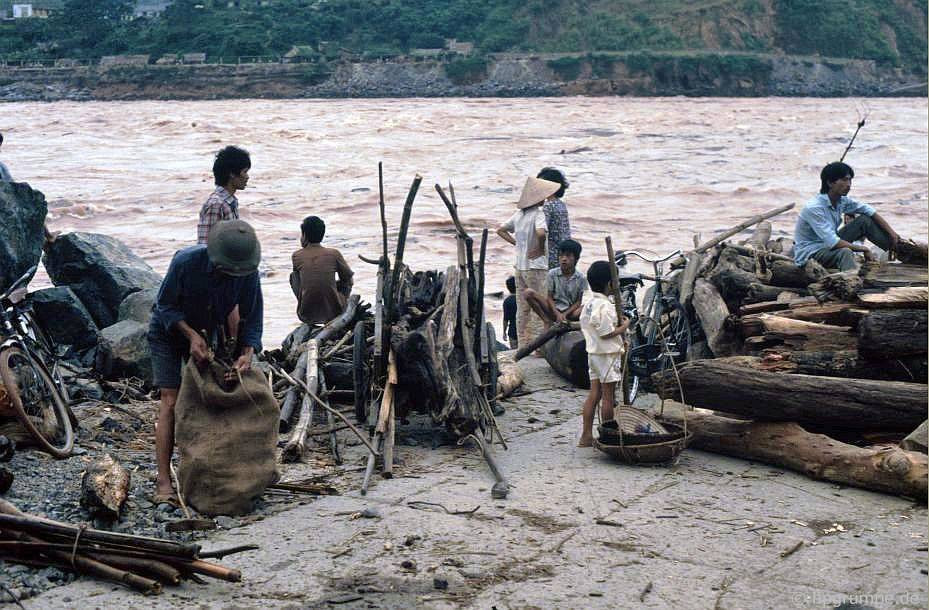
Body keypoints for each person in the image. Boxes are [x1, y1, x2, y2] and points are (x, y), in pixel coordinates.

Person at [148, 219, 264, 505]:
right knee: (171, 401)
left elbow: (252, 318)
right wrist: (189, 335)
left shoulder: (248, 273)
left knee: (209, 399)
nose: (232, 276)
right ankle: (163, 480)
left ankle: (209, 473)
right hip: (168, 331)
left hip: (206, 331)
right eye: (226, 271)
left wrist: (246, 353)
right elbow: (164, 306)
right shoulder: (186, 262)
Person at [793, 161, 900, 271]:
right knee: (845, 252)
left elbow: (869, 211)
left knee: (864, 221)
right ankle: (850, 281)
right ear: (830, 183)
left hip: (827, 245)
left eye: (850, 180)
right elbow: (833, 242)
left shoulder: (841, 201)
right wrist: (863, 249)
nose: (848, 184)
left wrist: (892, 234)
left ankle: (901, 252)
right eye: (844, 180)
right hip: (811, 254)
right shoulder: (814, 208)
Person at [496, 176, 560, 350]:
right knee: (539, 306)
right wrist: (539, 248)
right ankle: (540, 347)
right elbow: (541, 233)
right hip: (536, 266)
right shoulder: (538, 215)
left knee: (522, 307)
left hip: (520, 265)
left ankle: (524, 345)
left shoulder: (519, 215)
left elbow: (500, 230)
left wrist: (516, 244)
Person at [578, 260, 629, 447]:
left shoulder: (589, 303)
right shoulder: (605, 306)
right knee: (608, 396)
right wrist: (624, 327)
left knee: (594, 394)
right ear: (610, 284)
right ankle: (608, 435)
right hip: (607, 355)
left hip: (593, 353)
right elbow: (606, 332)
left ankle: (586, 435)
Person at [290, 216, 354, 324]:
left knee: (293, 276)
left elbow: (305, 282)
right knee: (346, 280)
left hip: (306, 314)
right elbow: (348, 279)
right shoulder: (334, 253)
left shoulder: (297, 255)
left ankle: (309, 307)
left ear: (304, 236)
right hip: (335, 312)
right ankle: (338, 304)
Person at [523, 239, 588, 326]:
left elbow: (578, 302)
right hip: (553, 310)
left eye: (568, 256)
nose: (564, 259)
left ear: (576, 259)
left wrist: (564, 314)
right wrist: (557, 313)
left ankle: (569, 321)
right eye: (561, 256)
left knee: (589, 306)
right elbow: (549, 297)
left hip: (571, 313)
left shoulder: (581, 278)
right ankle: (546, 321)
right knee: (528, 292)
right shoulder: (552, 274)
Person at [197, 145, 251, 245]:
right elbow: (206, 246)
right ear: (232, 174)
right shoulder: (217, 204)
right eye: (245, 172)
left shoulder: (230, 202)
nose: (247, 177)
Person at [537, 167, 571, 270]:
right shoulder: (561, 204)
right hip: (565, 254)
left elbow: (540, 231)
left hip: (552, 256)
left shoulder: (548, 206)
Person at [502, 276, 517, 349]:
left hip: (512, 331)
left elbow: (505, 319)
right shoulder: (523, 299)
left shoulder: (507, 301)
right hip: (525, 329)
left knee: (515, 352)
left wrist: (504, 332)